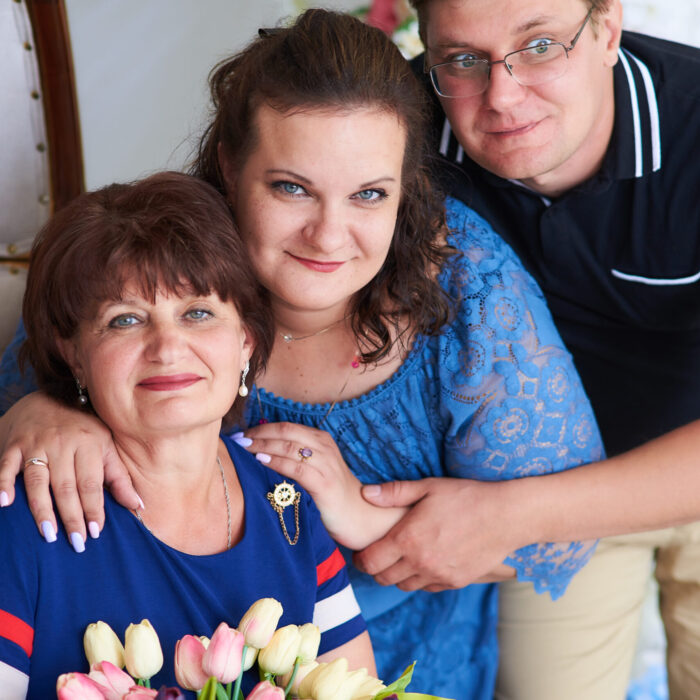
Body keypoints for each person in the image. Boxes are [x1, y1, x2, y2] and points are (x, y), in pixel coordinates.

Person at [0, 10, 604, 699]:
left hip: (407, 661)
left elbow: (558, 527)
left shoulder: (470, 292)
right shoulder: (158, 258)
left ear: (405, 189)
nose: (328, 235)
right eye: (291, 187)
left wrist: (370, 519)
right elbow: (61, 357)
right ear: (231, 168)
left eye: (369, 194)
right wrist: (37, 413)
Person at [353, 0, 700, 698]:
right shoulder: (391, 132)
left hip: (573, 495)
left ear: (607, 27)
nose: (503, 97)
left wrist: (511, 515)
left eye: (539, 46)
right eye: (462, 59)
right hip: (543, 493)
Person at [0, 172, 373, 699]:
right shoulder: (22, 518)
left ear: (246, 340)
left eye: (198, 313)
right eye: (125, 320)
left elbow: (361, 689)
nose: (168, 348)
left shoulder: (287, 505)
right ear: (74, 354)